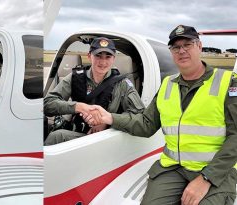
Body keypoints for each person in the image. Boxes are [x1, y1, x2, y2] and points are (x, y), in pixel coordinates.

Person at [85, 25, 237, 205]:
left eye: (187, 44)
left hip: (215, 170)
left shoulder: (228, 82)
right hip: (172, 168)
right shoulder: (167, 84)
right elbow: (146, 124)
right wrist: (109, 117)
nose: (181, 51)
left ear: (199, 46)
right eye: (175, 47)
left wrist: (207, 178)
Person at [44, 37, 144, 145]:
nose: (103, 62)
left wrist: (108, 121)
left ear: (113, 58)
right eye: (98, 56)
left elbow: (140, 117)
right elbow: (47, 104)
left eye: (108, 56)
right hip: (80, 134)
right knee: (55, 137)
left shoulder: (122, 83)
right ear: (89, 56)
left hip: (107, 138)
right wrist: (79, 107)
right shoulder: (75, 77)